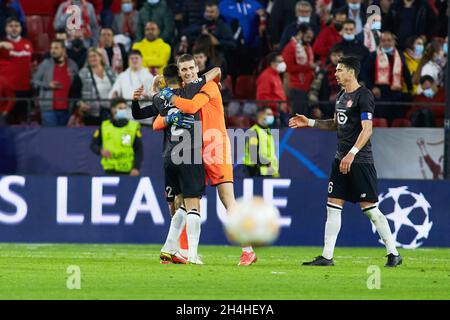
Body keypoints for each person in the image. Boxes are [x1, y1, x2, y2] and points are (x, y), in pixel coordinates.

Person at [288, 56, 402, 267]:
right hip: (340, 160)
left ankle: (393, 253)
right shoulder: (341, 96)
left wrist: (352, 153)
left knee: (370, 210)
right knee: (333, 207)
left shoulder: (364, 96)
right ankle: (327, 256)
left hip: (359, 161)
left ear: (351, 72)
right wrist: (310, 122)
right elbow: (336, 124)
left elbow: (367, 129)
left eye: (339, 70)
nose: (336, 74)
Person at [155, 54, 258, 266]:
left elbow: (192, 107)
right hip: (193, 148)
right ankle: (179, 250)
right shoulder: (185, 91)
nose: (188, 72)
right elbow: (158, 119)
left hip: (215, 146)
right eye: (183, 70)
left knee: (227, 199)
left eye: (191, 68)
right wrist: (160, 95)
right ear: (181, 74)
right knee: (183, 202)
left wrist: (169, 96)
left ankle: (248, 250)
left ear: (197, 68)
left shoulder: (209, 87)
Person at [131, 65, 221, 264]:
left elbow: (138, 115)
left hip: (169, 156)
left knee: (178, 205)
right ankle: (193, 254)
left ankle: (170, 247)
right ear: (180, 77)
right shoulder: (189, 90)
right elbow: (214, 71)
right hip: (188, 154)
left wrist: (136, 99)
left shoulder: (159, 98)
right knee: (193, 205)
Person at [363, 31, 413, 124]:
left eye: (389, 40)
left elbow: (405, 72)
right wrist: (372, 87)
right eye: (383, 40)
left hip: (397, 93)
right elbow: (364, 73)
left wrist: (410, 89)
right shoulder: (373, 55)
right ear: (380, 42)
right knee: (382, 119)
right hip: (380, 94)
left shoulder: (399, 55)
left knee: (396, 120)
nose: (386, 43)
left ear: (394, 42)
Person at [32, 40, 80, 126]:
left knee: (64, 137)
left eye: (56, 48)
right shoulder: (45, 64)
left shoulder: (73, 65)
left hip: (68, 108)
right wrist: (48, 85)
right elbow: (34, 81)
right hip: (48, 109)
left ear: (63, 50)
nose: (52, 51)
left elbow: (77, 86)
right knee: (51, 136)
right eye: (51, 48)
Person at [90, 97, 143, 176]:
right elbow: (93, 144)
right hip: (109, 170)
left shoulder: (133, 127)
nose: (123, 111)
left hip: (128, 171)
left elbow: (139, 150)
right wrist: (101, 151)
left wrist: (136, 168)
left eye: (125, 108)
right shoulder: (105, 126)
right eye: (120, 108)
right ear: (113, 109)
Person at [0, 17, 33, 124]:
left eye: (16, 26)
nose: (14, 28)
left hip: (24, 90)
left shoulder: (28, 43)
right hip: (6, 93)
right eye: (11, 26)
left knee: (23, 124)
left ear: (20, 28)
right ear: (5, 28)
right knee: (5, 123)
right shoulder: (2, 44)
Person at [109, 49, 154, 125]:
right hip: (126, 113)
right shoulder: (122, 76)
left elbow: (155, 96)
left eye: (136, 58)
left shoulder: (149, 76)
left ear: (141, 59)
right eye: (131, 58)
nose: (134, 60)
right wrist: (115, 93)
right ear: (128, 60)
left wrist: (146, 95)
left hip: (143, 113)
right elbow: (114, 91)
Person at [78, 47, 117, 125]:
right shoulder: (82, 73)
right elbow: (75, 92)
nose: (92, 58)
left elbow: (118, 86)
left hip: (111, 111)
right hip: (92, 113)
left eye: (94, 56)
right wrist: (80, 103)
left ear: (100, 57)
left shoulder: (110, 71)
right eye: (90, 56)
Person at [282, 23, 315, 116]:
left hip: (307, 86)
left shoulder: (307, 46)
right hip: (297, 86)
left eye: (310, 38)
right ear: (300, 33)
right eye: (307, 36)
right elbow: (288, 67)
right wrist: (309, 66)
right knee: (298, 116)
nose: (309, 40)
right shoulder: (290, 47)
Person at [243, 106, 279, 177]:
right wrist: (268, 163)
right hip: (256, 173)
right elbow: (253, 154)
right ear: (261, 115)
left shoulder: (268, 132)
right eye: (268, 114)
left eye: (271, 114)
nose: (271, 116)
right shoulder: (254, 132)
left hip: (268, 173)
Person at [256, 51, 288, 117]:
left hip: (280, 112)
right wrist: (277, 105)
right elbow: (262, 98)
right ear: (272, 63)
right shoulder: (266, 76)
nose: (283, 64)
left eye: (283, 61)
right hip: (271, 114)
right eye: (280, 61)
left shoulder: (276, 75)